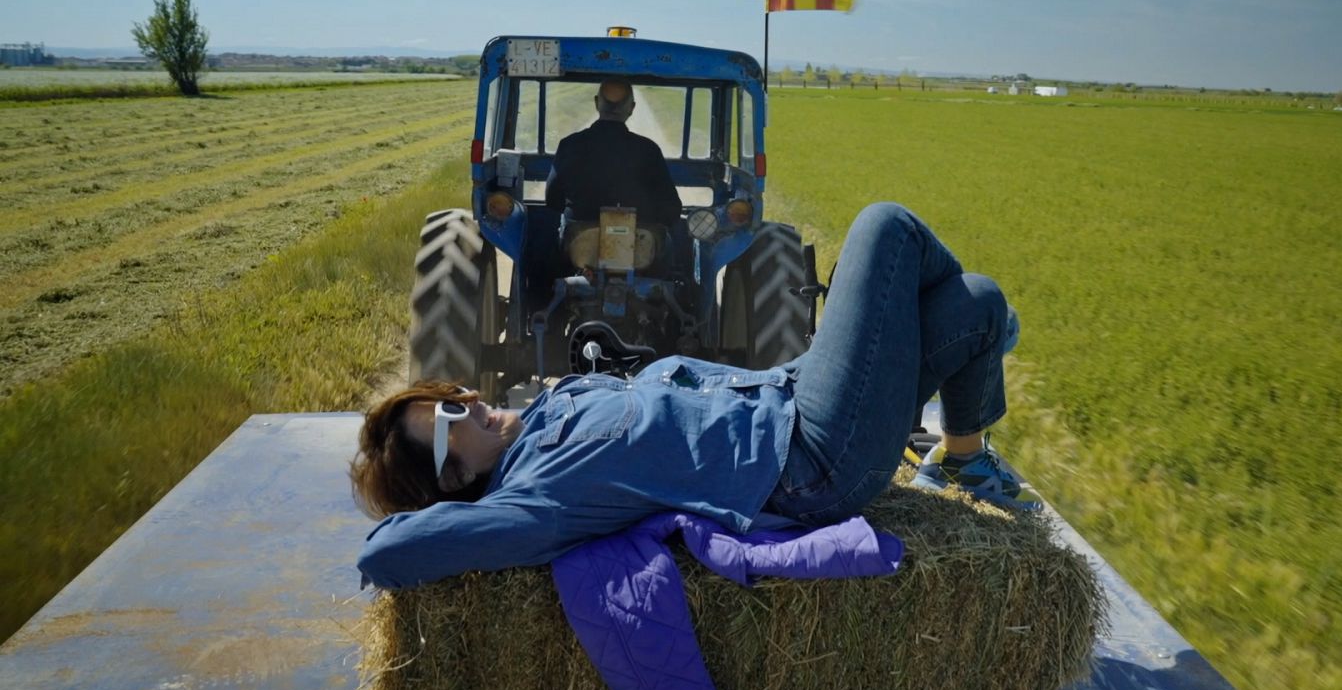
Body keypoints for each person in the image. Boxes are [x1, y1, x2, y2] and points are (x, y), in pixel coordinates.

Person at [352, 202, 1022, 588]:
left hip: (791, 392)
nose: (467, 398)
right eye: (446, 417)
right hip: (814, 461)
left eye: (451, 393)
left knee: (979, 303)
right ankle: (982, 356)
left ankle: (963, 459)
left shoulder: (545, 416)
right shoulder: (536, 498)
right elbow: (385, 554)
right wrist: (435, 499)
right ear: (451, 474)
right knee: (885, 227)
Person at [544, 78, 683, 226]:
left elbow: (553, 200)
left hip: (579, 240)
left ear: (597, 103)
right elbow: (672, 208)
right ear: (632, 108)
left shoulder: (569, 145)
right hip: (637, 242)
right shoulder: (649, 149)